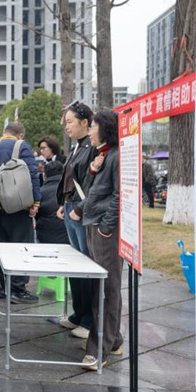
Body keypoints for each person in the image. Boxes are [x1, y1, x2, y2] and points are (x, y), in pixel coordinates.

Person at [80, 110, 124, 370]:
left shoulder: (117, 156)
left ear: (105, 128)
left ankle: (99, 349)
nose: (90, 131)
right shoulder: (103, 155)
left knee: (107, 290)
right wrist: (94, 169)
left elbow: (120, 195)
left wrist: (106, 228)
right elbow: (93, 190)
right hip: (94, 226)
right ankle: (114, 340)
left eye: (93, 126)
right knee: (103, 287)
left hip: (104, 231)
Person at [55, 101, 98, 340]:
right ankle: (78, 313)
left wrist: (80, 209)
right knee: (75, 265)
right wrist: (63, 203)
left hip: (81, 211)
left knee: (86, 266)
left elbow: (92, 185)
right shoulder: (76, 147)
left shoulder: (91, 147)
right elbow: (70, 179)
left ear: (85, 123)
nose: (67, 127)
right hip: (70, 208)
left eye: (70, 122)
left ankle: (89, 319)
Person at [0, 121, 42, 303]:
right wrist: (35, 202)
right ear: (20, 136)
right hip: (18, 206)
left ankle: (4, 287)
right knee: (21, 246)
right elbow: (32, 174)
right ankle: (18, 289)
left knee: (3, 248)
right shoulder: (22, 146)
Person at [35, 161, 69, 244]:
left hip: (45, 236)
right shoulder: (69, 191)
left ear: (44, 176)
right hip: (68, 235)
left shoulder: (40, 193)